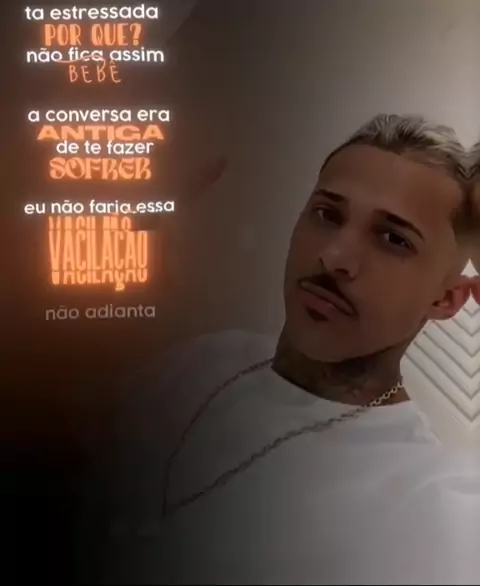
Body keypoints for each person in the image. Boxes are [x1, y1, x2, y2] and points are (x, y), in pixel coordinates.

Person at [77, 114, 477, 585]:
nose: (335, 257)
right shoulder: (210, 357)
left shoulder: (436, 505)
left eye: (394, 239)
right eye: (327, 214)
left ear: (445, 299)